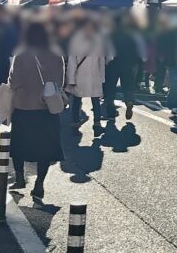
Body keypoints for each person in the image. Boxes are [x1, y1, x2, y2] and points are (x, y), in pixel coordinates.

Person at [8, 21, 65, 200]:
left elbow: (13, 82)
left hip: (24, 107)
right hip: (47, 108)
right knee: (45, 149)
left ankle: (19, 177)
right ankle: (39, 183)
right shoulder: (56, 55)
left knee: (18, 144)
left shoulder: (22, 55)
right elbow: (60, 82)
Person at [65, 14, 110, 132]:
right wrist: (102, 78)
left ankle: (75, 122)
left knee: (76, 99)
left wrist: (71, 79)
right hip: (94, 76)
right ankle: (97, 123)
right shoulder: (98, 41)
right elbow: (102, 61)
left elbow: (72, 62)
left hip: (80, 76)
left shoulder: (76, 41)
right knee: (95, 100)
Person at [105, 14, 141, 122]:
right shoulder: (130, 35)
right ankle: (129, 101)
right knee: (127, 86)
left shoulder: (110, 34)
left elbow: (106, 50)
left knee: (110, 88)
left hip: (113, 63)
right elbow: (136, 50)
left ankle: (111, 112)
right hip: (127, 63)